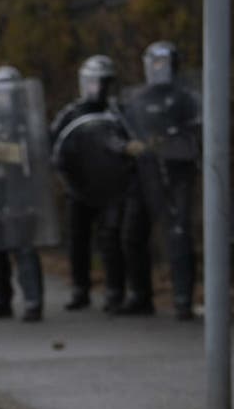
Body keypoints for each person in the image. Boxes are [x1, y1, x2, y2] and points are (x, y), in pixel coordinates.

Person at [119, 41, 200, 319]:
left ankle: (182, 299)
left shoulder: (185, 97)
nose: (158, 69)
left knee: (178, 233)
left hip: (175, 172)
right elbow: (127, 130)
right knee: (133, 233)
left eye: (163, 64)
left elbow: (196, 133)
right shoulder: (137, 99)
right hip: (144, 171)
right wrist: (129, 146)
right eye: (154, 64)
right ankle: (140, 295)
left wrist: (168, 141)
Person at [48, 55, 127, 312]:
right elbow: (53, 143)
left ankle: (115, 291)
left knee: (110, 240)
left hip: (112, 188)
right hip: (78, 187)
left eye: (104, 83)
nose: (98, 88)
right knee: (78, 240)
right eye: (94, 82)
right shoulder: (71, 112)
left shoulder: (118, 113)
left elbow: (131, 143)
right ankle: (80, 289)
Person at [0, 66, 45, 322]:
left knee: (23, 247)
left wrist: (0, 152)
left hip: (21, 190)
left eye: (7, 94)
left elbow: (34, 155)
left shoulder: (28, 121)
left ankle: (33, 301)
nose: (2, 100)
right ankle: (1, 299)